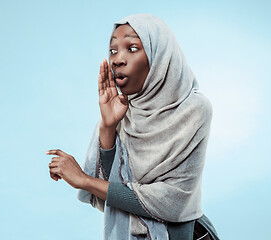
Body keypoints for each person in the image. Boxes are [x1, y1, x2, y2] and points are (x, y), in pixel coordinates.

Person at [47, 14, 219, 240]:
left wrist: (86, 180)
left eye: (132, 47)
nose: (117, 59)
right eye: (113, 50)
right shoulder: (120, 111)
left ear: (159, 55)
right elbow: (108, 201)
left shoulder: (194, 110)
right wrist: (108, 127)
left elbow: (173, 203)